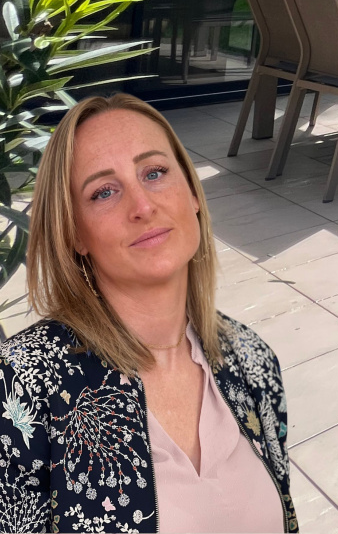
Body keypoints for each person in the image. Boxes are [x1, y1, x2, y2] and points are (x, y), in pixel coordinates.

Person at [0, 93, 296, 532]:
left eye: (154, 172)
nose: (142, 206)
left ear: (193, 193)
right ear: (75, 233)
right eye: (104, 192)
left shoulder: (253, 359)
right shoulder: (19, 386)